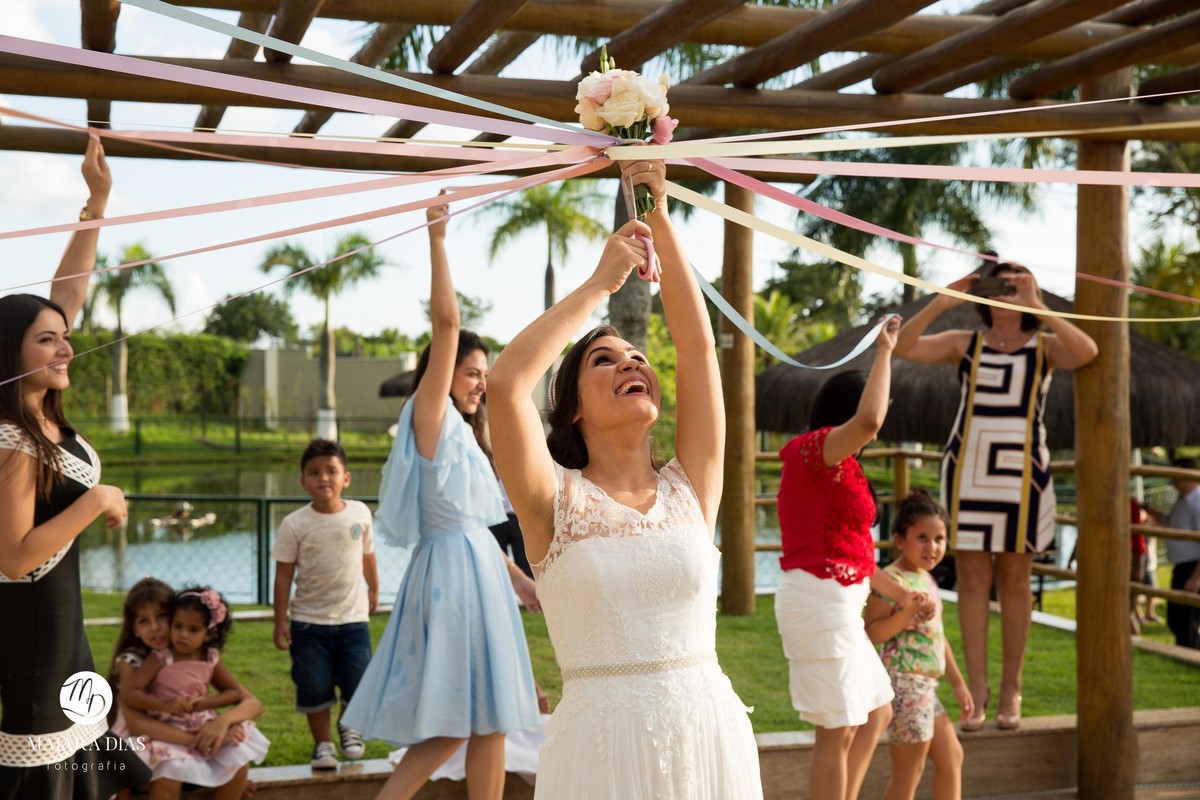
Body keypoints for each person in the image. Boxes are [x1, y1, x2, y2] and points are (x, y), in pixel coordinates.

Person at [487, 157, 763, 799]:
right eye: (604, 361)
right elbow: (505, 385)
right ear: (573, 408)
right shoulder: (552, 501)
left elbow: (696, 350)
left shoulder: (693, 488)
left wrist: (656, 210)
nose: (631, 364)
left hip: (707, 737)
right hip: (601, 756)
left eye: (636, 357)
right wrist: (598, 286)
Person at [340, 194, 541, 800]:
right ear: (443, 371)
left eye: (483, 373)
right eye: (472, 371)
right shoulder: (428, 416)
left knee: (493, 721)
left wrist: (518, 578)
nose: (481, 382)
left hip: (481, 570)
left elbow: (477, 522)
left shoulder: (466, 435)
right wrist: (437, 241)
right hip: (450, 576)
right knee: (456, 720)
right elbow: (448, 326)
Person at [0, 137, 153, 799]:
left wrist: (96, 204)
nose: (66, 347)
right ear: (11, 354)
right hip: (34, 638)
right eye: (47, 340)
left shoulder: (44, 420)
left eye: (64, 337)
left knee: (101, 776)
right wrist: (98, 500)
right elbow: (14, 558)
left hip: (68, 633)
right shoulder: (11, 440)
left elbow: (65, 294)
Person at [893, 262, 1098, 731]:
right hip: (968, 467)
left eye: (1015, 282)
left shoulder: (1046, 346)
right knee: (971, 577)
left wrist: (1038, 305)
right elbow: (902, 345)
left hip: (1023, 473)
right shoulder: (965, 342)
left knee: (1015, 580)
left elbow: (1088, 351)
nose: (1006, 291)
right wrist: (942, 303)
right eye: (999, 284)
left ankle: (1012, 689)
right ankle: (978, 690)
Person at [775, 324, 922, 800]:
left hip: (837, 603)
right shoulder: (813, 452)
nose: (883, 418)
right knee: (835, 732)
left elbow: (854, 554)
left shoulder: (843, 468)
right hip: (818, 603)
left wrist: (901, 594)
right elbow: (871, 420)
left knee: (876, 713)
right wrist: (884, 351)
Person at [273, 438, 379, 769]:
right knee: (314, 685)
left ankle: (349, 727)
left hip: (353, 620)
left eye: (331, 471)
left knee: (357, 681)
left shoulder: (360, 513)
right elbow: (283, 575)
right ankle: (323, 745)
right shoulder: (294, 523)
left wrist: (374, 589)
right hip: (309, 623)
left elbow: (368, 556)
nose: (323, 478)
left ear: (346, 477)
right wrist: (280, 621)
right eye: (314, 472)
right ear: (303, 480)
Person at [109, 578, 261, 800]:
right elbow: (136, 723)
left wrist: (222, 723)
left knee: (237, 763)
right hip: (151, 751)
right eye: (144, 621)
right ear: (135, 628)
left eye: (162, 617)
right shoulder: (134, 661)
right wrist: (197, 740)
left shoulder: (196, 655)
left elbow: (251, 703)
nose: (155, 627)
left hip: (190, 745)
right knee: (170, 771)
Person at [864, 489, 972, 800]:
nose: (932, 546)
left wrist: (958, 684)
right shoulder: (890, 582)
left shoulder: (926, 579)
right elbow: (873, 632)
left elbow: (937, 636)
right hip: (904, 687)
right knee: (909, 772)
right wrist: (906, 612)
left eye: (939, 539)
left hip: (927, 688)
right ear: (899, 540)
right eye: (922, 537)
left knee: (952, 757)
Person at [1150, 458, 1200, 649]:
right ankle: (1186, 653)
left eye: (1176, 475)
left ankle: (1189, 656)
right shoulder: (1182, 501)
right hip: (1182, 567)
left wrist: (1195, 578)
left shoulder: (1197, 501)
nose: (1173, 479)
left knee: (1186, 620)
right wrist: (1146, 509)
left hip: (1193, 567)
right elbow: (1169, 523)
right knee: (1177, 617)